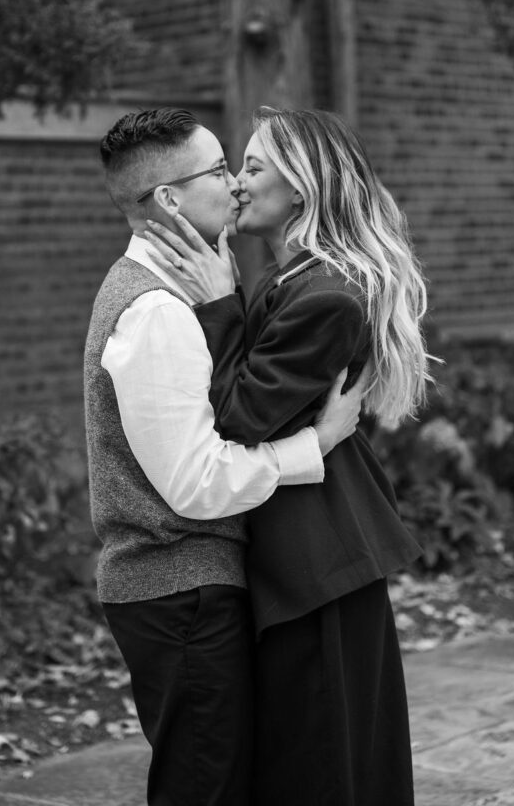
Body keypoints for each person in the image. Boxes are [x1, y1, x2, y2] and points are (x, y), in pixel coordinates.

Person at [144, 107, 431, 806]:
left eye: (251, 166)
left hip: (318, 562)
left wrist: (218, 305)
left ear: (301, 187)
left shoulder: (325, 295)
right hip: (302, 549)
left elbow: (240, 418)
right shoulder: (294, 279)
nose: (237, 184)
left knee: (326, 763)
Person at [83, 106, 367, 806]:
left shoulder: (175, 294)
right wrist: (316, 444)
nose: (236, 186)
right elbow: (196, 484)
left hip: (184, 589)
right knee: (204, 789)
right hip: (180, 592)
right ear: (170, 199)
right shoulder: (157, 313)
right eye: (219, 169)